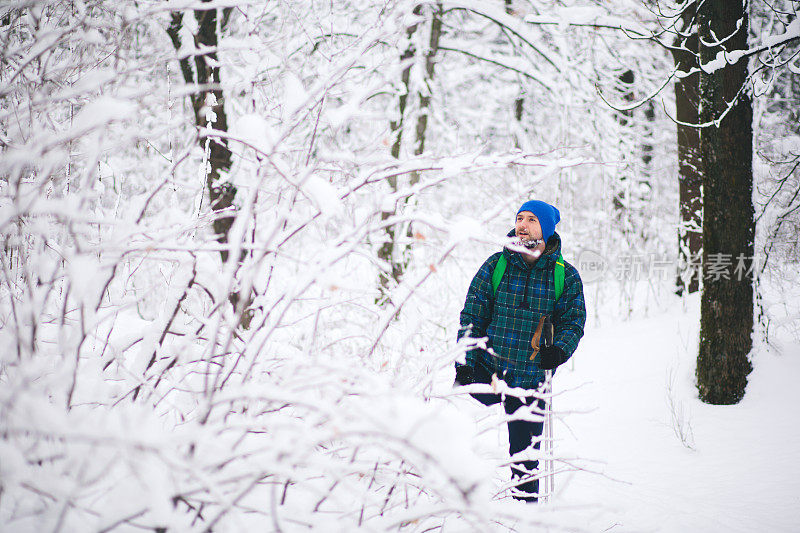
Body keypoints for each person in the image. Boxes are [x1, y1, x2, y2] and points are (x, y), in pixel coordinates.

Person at [454, 199, 586, 502]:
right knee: (458, 434)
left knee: (525, 456)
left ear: (547, 229)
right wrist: (465, 360)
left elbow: (573, 321)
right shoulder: (496, 265)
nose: (523, 225)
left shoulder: (564, 275)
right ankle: (456, 502)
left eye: (532, 220)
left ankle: (523, 513)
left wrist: (559, 351)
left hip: (530, 375)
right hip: (488, 370)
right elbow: (473, 314)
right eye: (519, 218)